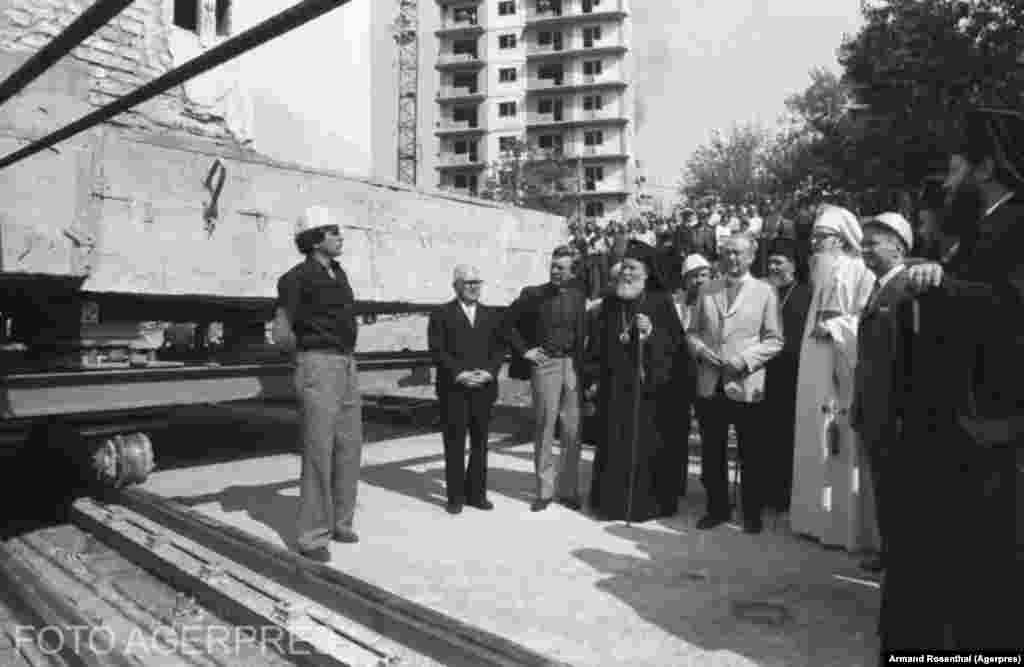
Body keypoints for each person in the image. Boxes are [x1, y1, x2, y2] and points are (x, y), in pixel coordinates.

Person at [882, 108, 1024, 654]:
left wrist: (941, 284)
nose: (951, 172)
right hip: (948, 431)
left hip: (988, 432)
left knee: (985, 590)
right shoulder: (975, 230)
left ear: (987, 164)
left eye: (959, 161)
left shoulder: (1019, 223)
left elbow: (1014, 311)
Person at [275, 206, 363, 562]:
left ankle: (341, 521)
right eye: (333, 231)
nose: (340, 237)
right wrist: (307, 359)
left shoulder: (339, 273)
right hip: (318, 363)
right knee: (318, 450)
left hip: (346, 364)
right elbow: (282, 330)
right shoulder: (295, 278)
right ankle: (312, 536)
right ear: (315, 239)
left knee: (349, 445)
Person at [789, 205, 878, 553]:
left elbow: (866, 319)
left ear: (841, 240)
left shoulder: (860, 270)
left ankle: (842, 527)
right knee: (813, 436)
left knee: (841, 442)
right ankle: (812, 520)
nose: (816, 245)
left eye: (822, 238)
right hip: (815, 364)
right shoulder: (820, 273)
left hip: (844, 364)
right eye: (815, 238)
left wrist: (836, 328)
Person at [687, 233, 783, 533]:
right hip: (711, 380)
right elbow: (692, 332)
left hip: (745, 380)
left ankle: (751, 513)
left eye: (739, 253)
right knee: (712, 450)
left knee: (751, 452)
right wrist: (701, 351)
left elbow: (774, 339)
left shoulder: (765, 291)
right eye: (727, 253)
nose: (732, 258)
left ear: (752, 257)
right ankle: (717, 508)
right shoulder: (707, 289)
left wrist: (745, 360)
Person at [585, 243, 681, 521]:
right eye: (624, 267)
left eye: (632, 268)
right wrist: (593, 376)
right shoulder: (612, 300)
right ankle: (610, 504)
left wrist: (651, 334)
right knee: (613, 443)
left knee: (644, 447)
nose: (626, 273)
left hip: (646, 390)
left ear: (647, 273)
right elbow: (599, 342)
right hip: (614, 386)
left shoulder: (659, 301)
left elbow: (675, 345)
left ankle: (643, 505)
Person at [848, 213, 916, 574]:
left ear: (899, 247)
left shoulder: (907, 289)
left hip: (897, 413)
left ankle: (901, 559)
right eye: (863, 243)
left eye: (873, 243)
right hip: (876, 409)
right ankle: (890, 552)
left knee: (899, 491)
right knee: (884, 489)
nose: (864, 250)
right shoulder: (879, 288)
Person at [502, 246, 588, 512]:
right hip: (545, 364)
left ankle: (569, 490)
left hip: (572, 364)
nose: (555, 271)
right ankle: (544, 491)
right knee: (545, 426)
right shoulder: (533, 294)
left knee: (572, 429)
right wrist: (525, 350)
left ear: (572, 270)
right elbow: (506, 322)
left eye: (561, 267)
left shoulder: (577, 295)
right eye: (553, 266)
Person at [427, 265, 506, 515]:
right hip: (454, 389)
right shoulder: (441, 313)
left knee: (480, 443)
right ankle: (455, 497)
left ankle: (477, 494)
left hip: (483, 388)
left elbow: (498, 348)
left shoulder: (491, 314)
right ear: (456, 286)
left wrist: (489, 372)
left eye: (477, 282)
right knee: (455, 443)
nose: (474, 287)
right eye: (468, 282)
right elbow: (437, 349)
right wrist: (459, 374)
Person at [762, 239, 812, 512]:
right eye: (770, 262)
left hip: (791, 374)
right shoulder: (762, 292)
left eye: (778, 262)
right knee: (764, 436)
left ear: (793, 265)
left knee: (787, 436)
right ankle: (764, 491)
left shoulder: (805, 293)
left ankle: (785, 495)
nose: (773, 267)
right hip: (763, 373)